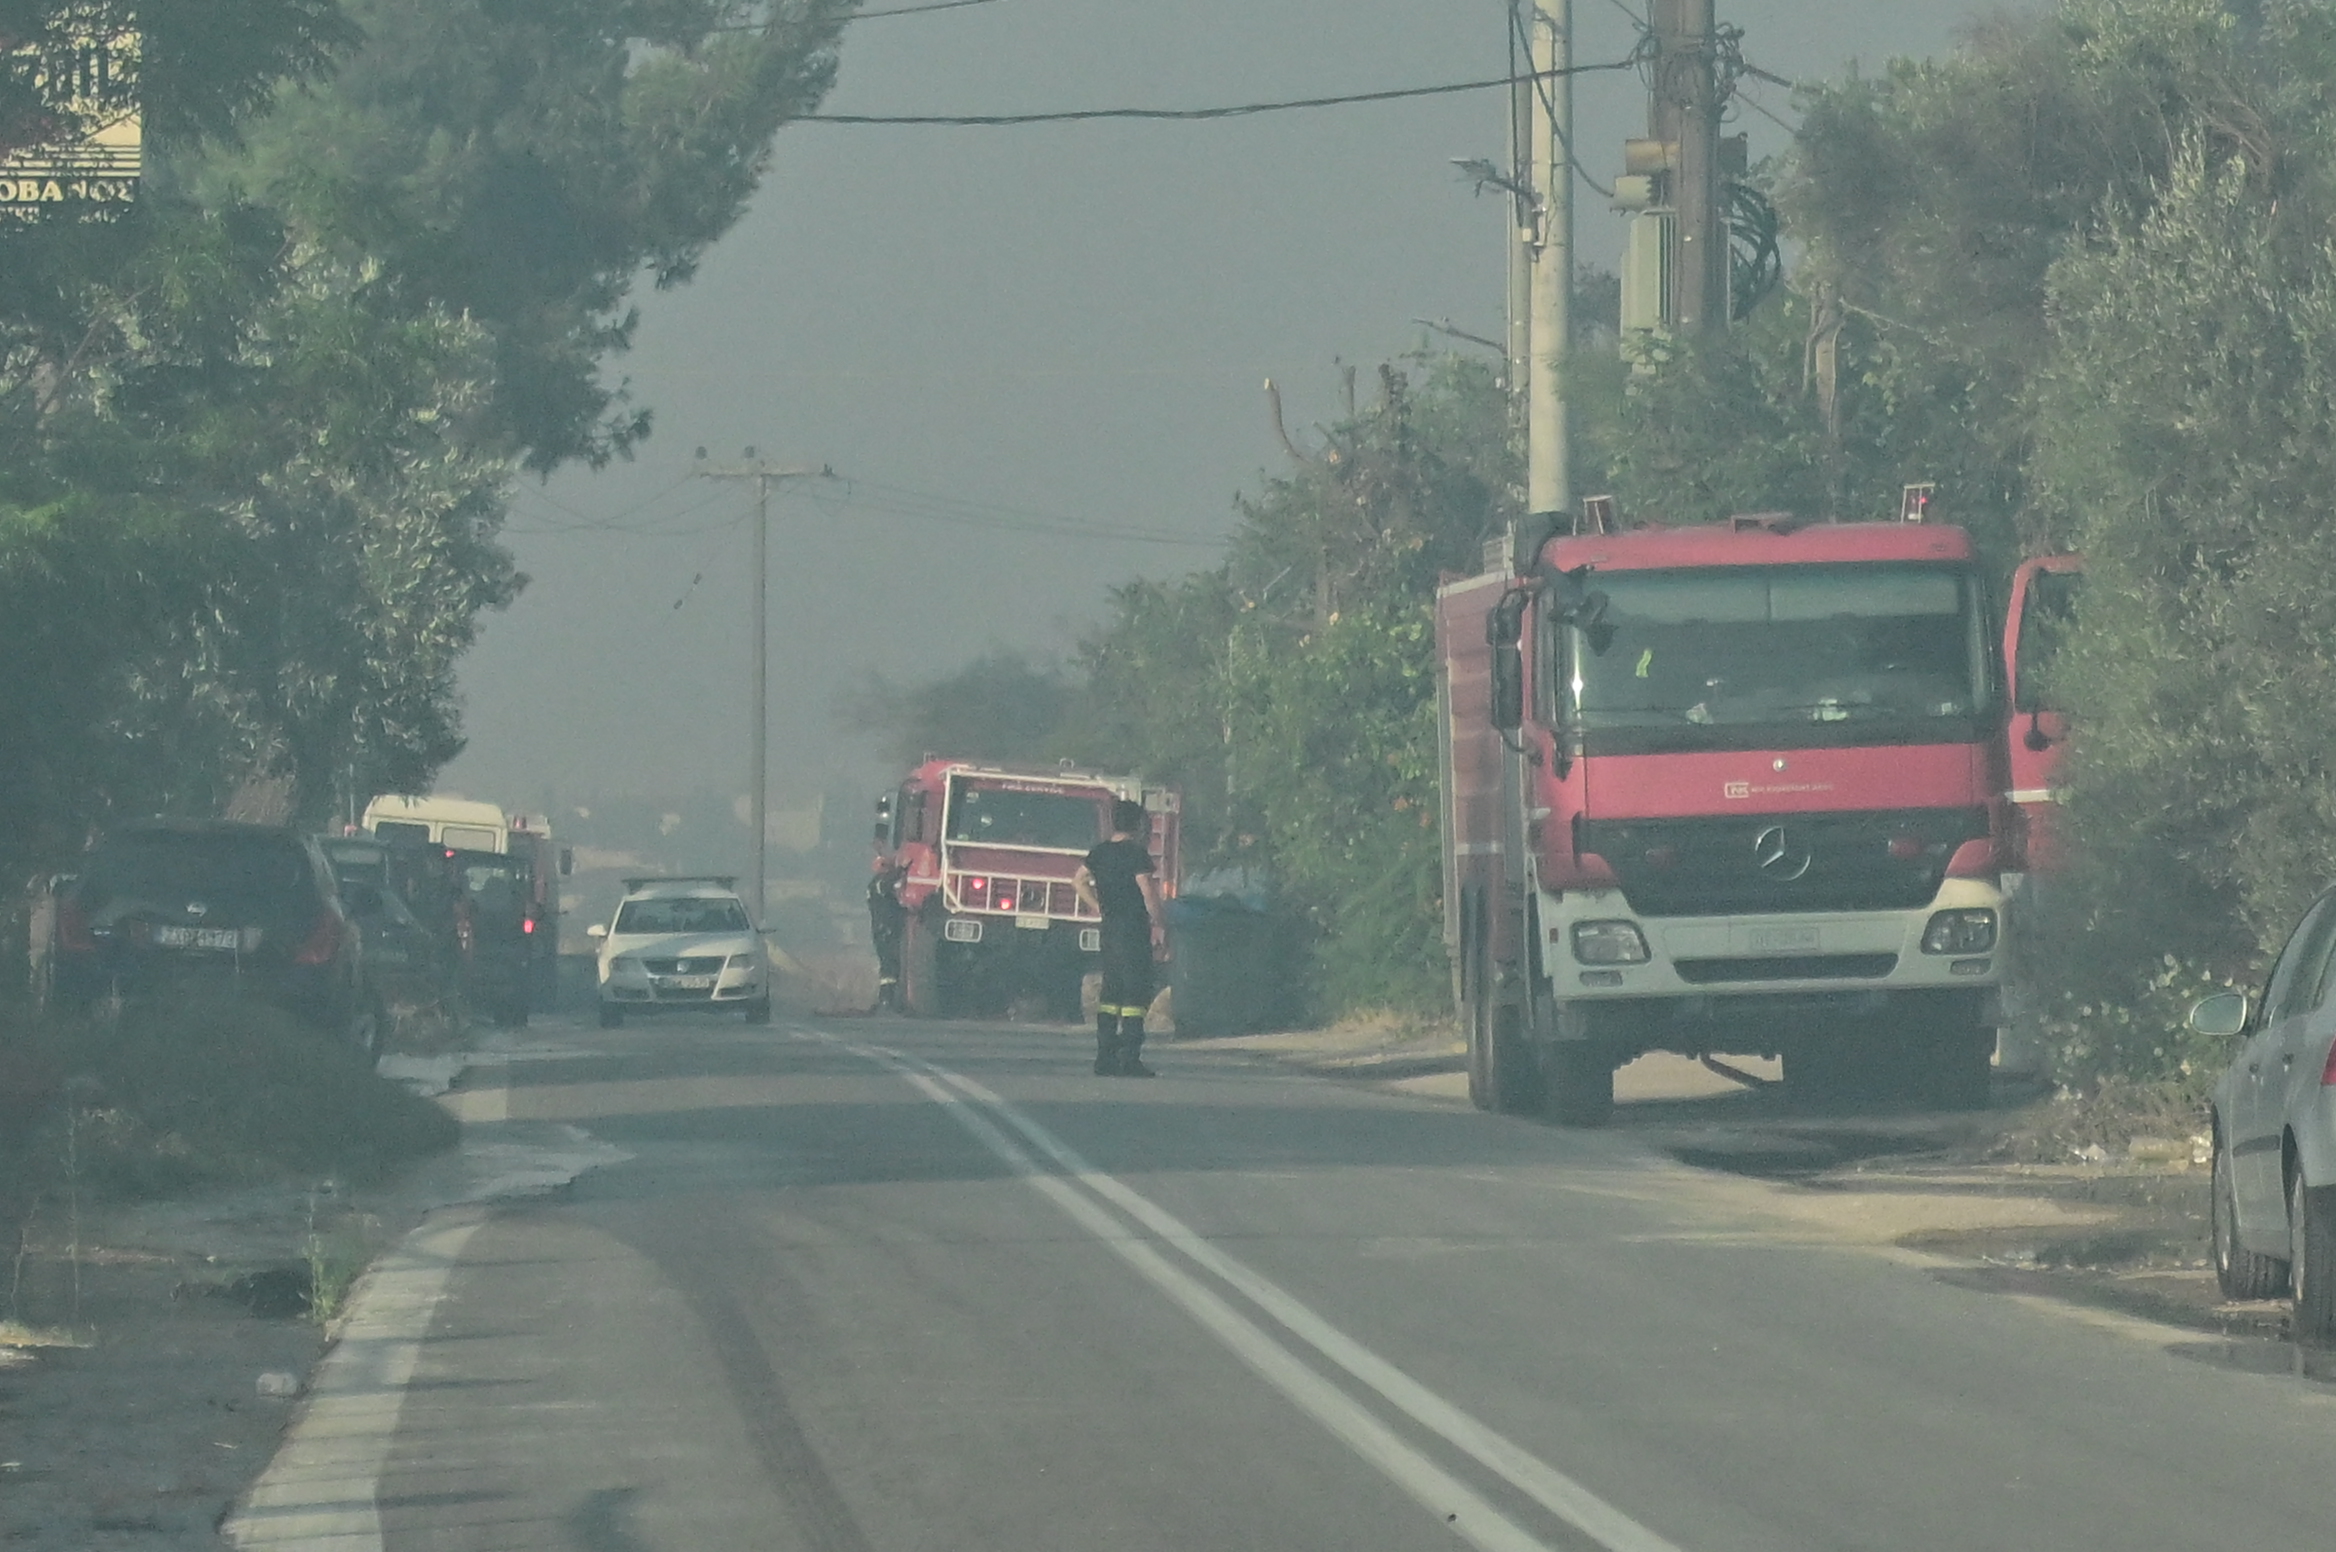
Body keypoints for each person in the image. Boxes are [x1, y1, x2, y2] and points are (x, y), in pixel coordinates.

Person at [1073, 799, 1166, 1077]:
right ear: (1138, 825)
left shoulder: (1099, 853)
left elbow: (1077, 880)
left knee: (1111, 991)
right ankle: (1130, 1057)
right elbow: (1147, 892)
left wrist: (1098, 906)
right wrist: (1160, 924)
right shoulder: (1136, 855)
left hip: (1110, 928)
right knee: (1135, 994)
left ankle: (1104, 1056)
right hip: (1134, 929)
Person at [867, 855, 907, 1012]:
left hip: (882, 929)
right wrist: (902, 869)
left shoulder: (874, 885)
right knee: (889, 966)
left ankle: (888, 999)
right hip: (885, 929)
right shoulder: (878, 884)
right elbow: (888, 883)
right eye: (886, 867)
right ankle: (886, 1000)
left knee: (890, 966)